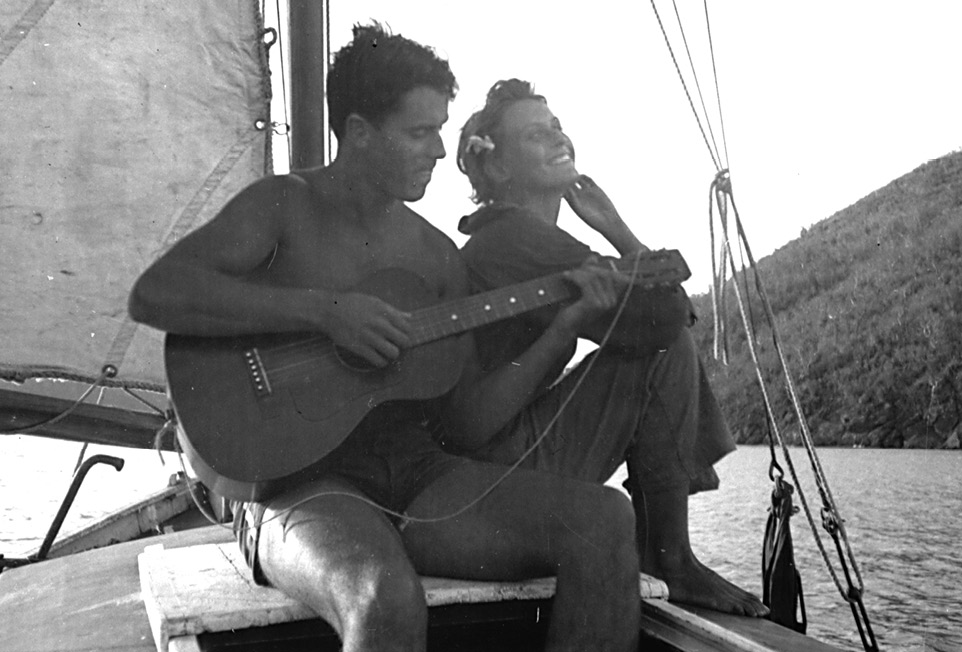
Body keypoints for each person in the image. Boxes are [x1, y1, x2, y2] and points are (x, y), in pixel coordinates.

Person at [129, 26, 642, 652]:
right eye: (419, 132)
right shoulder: (282, 205)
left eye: (440, 128)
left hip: (418, 477)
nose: (438, 148)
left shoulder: (435, 255)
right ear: (360, 131)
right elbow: (157, 292)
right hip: (298, 488)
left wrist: (561, 331)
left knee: (604, 519)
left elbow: (468, 424)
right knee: (383, 594)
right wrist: (325, 312)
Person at [450, 78, 769, 617]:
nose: (559, 138)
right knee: (665, 350)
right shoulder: (515, 239)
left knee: (663, 344)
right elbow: (667, 318)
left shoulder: (509, 235)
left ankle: (666, 552)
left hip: (494, 460)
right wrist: (616, 228)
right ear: (499, 169)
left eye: (556, 127)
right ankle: (669, 558)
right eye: (535, 134)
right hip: (495, 473)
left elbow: (663, 310)